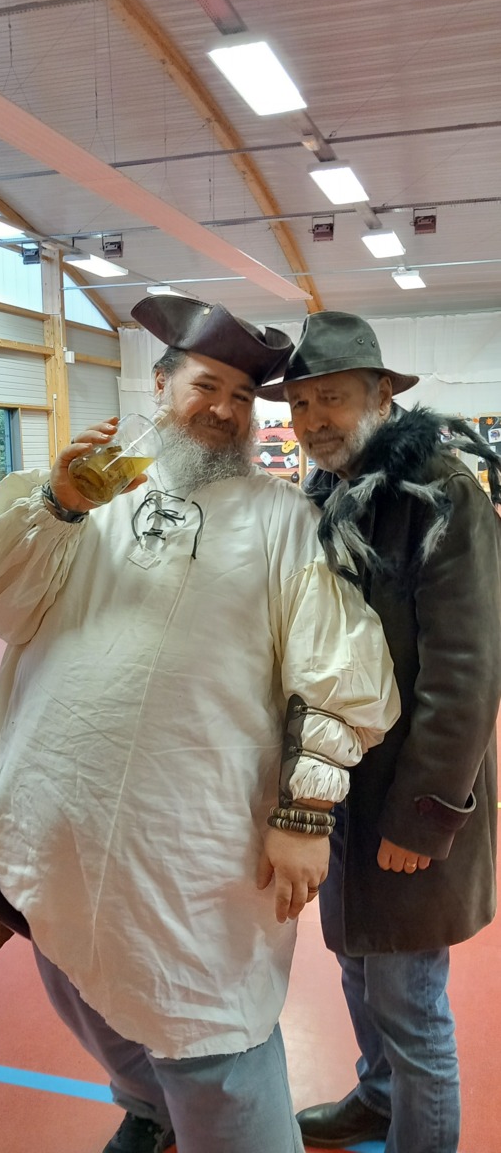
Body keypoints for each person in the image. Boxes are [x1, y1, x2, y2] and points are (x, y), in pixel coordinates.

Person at [0, 297, 399, 1153]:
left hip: (192, 855)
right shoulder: (93, 499)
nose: (225, 410)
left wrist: (305, 812)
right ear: (161, 386)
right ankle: (148, 1108)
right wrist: (53, 501)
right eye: (206, 386)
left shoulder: (285, 522)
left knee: (212, 1041)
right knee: (83, 994)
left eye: (242, 396)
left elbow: (341, 670)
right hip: (60, 826)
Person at [260, 310, 501, 1153]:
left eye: (332, 398)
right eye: (300, 404)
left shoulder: (442, 494)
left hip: (407, 800)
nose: (313, 419)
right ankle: (377, 1096)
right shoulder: (327, 491)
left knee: (410, 1001)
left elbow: (466, 674)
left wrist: (423, 818)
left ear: (380, 398)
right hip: (341, 792)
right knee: (360, 966)